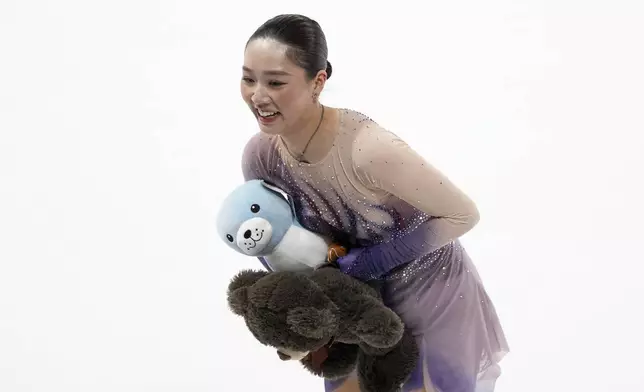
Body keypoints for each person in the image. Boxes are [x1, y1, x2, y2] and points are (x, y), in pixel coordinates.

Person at [238, 14, 509, 392]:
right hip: (350, 302)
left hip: (427, 293)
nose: (257, 96)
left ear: (318, 82)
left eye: (276, 82)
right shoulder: (261, 156)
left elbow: (463, 214)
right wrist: (293, 301)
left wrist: (372, 261)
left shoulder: (367, 150)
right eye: (248, 78)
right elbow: (274, 237)